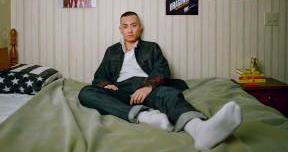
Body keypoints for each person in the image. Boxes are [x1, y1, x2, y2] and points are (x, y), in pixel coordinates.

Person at [78, 11, 242, 151]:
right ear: (120, 29)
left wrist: (148, 86)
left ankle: (199, 129)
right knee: (86, 92)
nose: (130, 30)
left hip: (146, 86)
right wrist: (107, 85)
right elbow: (99, 76)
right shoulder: (112, 51)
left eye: (134, 25)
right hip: (120, 90)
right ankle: (144, 116)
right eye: (125, 26)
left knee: (168, 93)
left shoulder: (151, 47)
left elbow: (162, 69)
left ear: (140, 27)